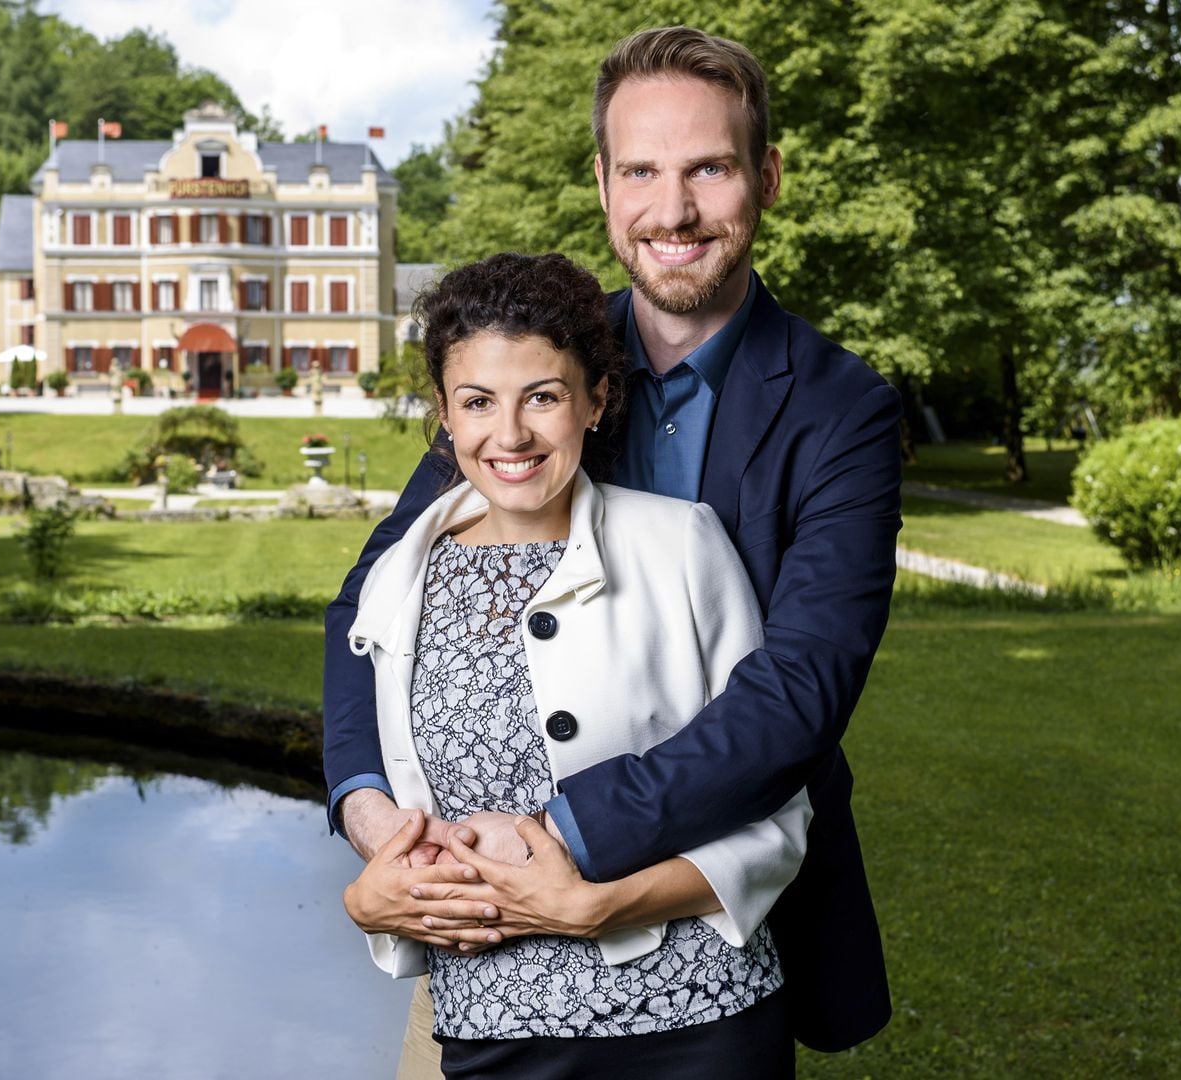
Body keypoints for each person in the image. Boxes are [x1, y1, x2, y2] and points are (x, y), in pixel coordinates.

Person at [326, 24, 902, 1076]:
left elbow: (800, 690)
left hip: (709, 936)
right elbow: (366, 604)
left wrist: (570, 841)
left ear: (766, 176)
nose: (672, 209)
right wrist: (374, 827)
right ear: (602, 183)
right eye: (640, 169)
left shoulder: (841, 408)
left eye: (709, 168)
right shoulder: (529, 367)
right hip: (484, 941)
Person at [341, 251, 812, 1077]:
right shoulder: (396, 583)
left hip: (699, 1024)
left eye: (544, 397)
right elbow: (402, 831)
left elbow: (775, 815)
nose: (511, 434)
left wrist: (600, 907)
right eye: (478, 401)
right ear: (445, 417)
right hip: (492, 1027)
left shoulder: (683, 547)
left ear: (597, 400)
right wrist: (371, 899)